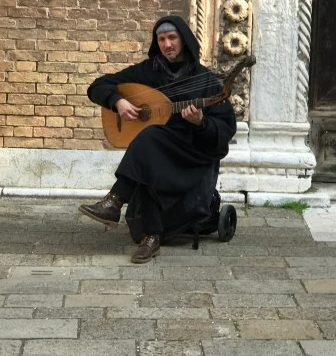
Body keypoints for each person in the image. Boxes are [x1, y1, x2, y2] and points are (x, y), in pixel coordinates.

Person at [79, 15, 236, 263]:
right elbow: (98, 86)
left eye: (172, 38)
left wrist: (201, 122)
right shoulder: (148, 72)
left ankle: (115, 202)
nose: (167, 44)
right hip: (156, 149)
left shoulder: (205, 80)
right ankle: (150, 236)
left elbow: (226, 128)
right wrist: (117, 101)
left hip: (191, 153)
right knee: (150, 146)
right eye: (161, 39)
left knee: (149, 141)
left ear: (184, 40)